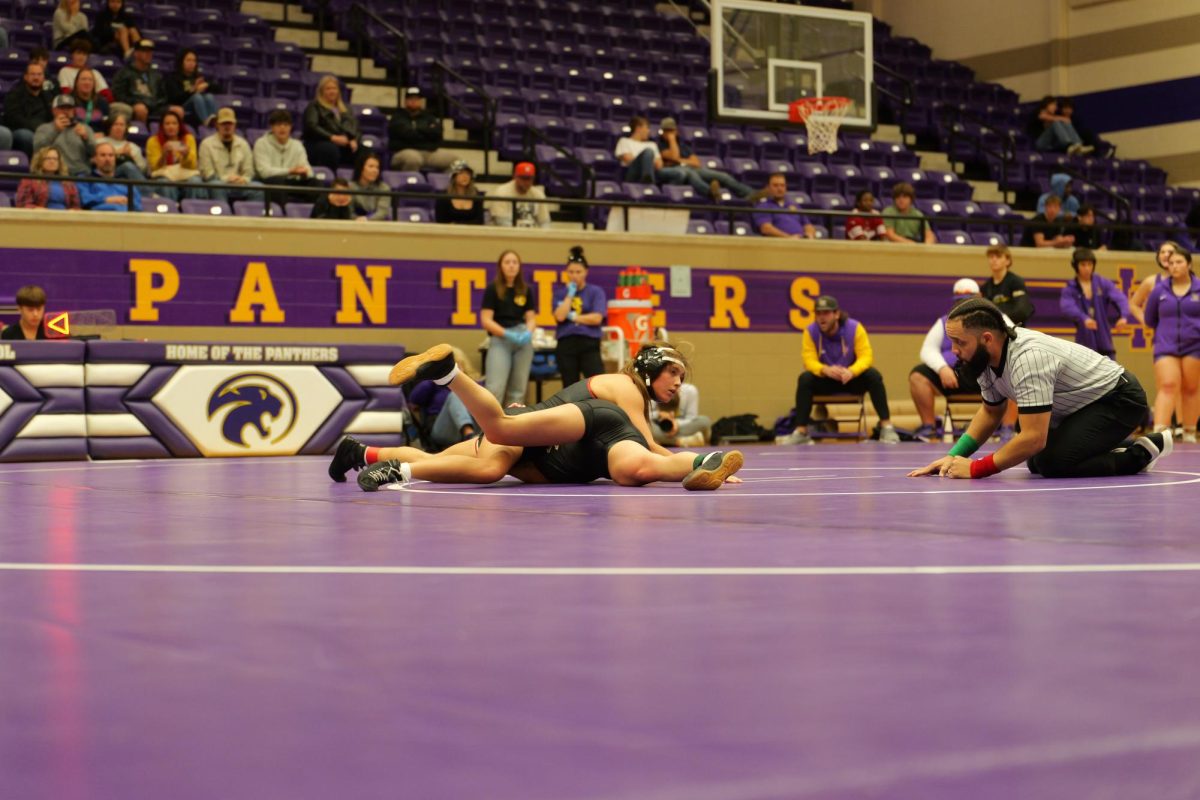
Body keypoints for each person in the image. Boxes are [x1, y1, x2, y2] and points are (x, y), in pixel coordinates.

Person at [333, 342, 743, 491]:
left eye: (681, 378)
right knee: (490, 460)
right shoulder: (626, 387)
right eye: (673, 373)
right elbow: (646, 443)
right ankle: (448, 377)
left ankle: (367, 455)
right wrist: (685, 459)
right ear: (652, 368)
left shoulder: (631, 394)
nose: (677, 384)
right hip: (547, 435)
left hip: (558, 444)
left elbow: (643, 447)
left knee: (450, 461)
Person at [909, 297, 1169, 480]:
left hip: (1119, 400)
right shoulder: (984, 359)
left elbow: (1034, 438)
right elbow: (990, 413)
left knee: (1051, 461)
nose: (953, 350)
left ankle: (1138, 453)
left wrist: (975, 469)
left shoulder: (1028, 358)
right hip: (1081, 406)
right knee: (1034, 461)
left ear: (986, 338)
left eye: (958, 342)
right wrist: (952, 457)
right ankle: (1112, 444)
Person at [778, 294, 901, 445]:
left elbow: (866, 356)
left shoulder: (855, 328)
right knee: (805, 379)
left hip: (850, 379)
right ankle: (801, 432)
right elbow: (808, 360)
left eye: (826, 313)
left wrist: (852, 371)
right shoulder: (810, 331)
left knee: (873, 375)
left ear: (836, 314)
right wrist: (824, 369)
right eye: (818, 313)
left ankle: (886, 427)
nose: (822, 318)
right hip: (826, 380)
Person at [907, 278, 992, 442]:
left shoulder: (994, 318)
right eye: (959, 301)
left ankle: (1007, 428)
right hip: (954, 378)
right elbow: (927, 349)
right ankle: (928, 428)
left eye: (968, 300)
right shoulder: (945, 322)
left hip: (988, 378)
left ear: (980, 297)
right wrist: (942, 368)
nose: (963, 305)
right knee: (918, 376)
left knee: (1012, 373)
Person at [1143, 247, 1200, 443]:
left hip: (1195, 345)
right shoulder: (1159, 290)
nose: (1174, 266)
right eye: (1172, 263)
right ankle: (1159, 433)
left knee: (1191, 388)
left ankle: (1190, 432)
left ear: (1189, 264)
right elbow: (1149, 319)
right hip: (1165, 345)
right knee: (1168, 385)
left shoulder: (1199, 288)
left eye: (1179, 262)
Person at [481, 249, 537, 405]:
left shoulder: (526, 289)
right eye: (507, 262)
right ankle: (488, 429)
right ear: (500, 266)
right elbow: (486, 320)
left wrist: (528, 332)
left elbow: (531, 319)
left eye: (515, 262)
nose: (511, 266)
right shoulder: (493, 289)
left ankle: (513, 427)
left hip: (522, 340)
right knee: (494, 388)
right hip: (500, 339)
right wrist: (506, 333)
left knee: (518, 390)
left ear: (519, 266)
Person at [656, 116, 752, 200]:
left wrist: (679, 161)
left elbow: (696, 163)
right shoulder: (659, 145)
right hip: (677, 171)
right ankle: (710, 192)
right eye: (667, 131)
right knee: (691, 174)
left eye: (671, 131)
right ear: (662, 132)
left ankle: (751, 194)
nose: (669, 134)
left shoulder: (683, 146)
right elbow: (674, 155)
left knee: (723, 176)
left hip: (691, 168)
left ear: (676, 131)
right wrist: (672, 141)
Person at [1059, 248, 1129, 360]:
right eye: (1083, 265)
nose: (1087, 268)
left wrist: (1124, 316)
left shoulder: (1103, 283)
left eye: (1089, 264)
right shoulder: (1070, 287)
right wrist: (1083, 318)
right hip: (1084, 343)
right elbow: (1067, 307)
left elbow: (1121, 299)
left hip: (1104, 341)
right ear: (1076, 266)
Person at [405, 347, 480, 452]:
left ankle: (473, 435)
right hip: (443, 428)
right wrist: (437, 378)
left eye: (457, 366)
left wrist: (463, 382)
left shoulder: (473, 383)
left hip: (475, 424)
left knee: (475, 397)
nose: (453, 371)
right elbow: (413, 403)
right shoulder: (433, 384)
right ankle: (469, 434)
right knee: (456, 395)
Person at [552, 245, 606, 387]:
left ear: (586, 272)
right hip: (566, 343)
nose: (574, 275)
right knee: (569, 386)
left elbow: (596, 318)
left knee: (597, 383)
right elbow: (560, 317)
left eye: (578, 272)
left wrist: (574, 317)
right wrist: (569, 295)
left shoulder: (595, 292)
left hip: (589, 342)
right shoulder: (560, 293)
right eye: (571, 272)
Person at [253, 109, 318, 205]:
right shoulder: (261, 143)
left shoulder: (297, 145)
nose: (282, 128)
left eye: (286, 125)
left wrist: (305, 173)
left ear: (291, 127)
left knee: (315, 183)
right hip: (269, 181)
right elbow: (264, 172)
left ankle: (314, 216)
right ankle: (281, 216)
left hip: (291, 181)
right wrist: (290, 171)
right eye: (278, 125)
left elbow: (308, 169)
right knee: (278, 182)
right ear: (272, 127)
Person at [198, 107, 260, 204]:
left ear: (234, 125)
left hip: (240, 184)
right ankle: (221, 216)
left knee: (258, 187)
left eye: (230, 123)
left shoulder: (243, 143)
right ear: (217, 125)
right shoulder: (206, 144)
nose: (227, 127)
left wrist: (244, 179)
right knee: (216, 185)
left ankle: (252, 217)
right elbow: (207, 173)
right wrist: (227, 179)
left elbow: (249, 171)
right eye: (223, 124)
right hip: (220, 183)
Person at [387, 86, 455, 172]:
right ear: (405, 101)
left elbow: (438, 133)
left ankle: (444, 184)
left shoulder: (429, 117)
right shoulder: (398, 117)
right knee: (413, 159)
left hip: (428, 153)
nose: (414, 101)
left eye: (416, 99)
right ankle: (410, 184)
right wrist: (426, 132)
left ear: (421, 101)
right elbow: (405, 134)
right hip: (403, 151)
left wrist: (416, 130)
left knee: (456, 162)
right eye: (411, 99)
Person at [302, 74, 360, 172]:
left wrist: (353, 139)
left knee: (365, 150)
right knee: (330, 150)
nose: (332, 91)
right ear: (321, 91)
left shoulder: (346, 109)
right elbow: (311, 127)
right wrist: (332, 137)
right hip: (319, 142)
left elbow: (355, 127)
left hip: (342, 143)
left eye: (334, 88)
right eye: (328, 89)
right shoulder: (314, 107)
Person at [145, 109, 202, 200]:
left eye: (174, 123)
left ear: (179, 126)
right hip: (164, 177)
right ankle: (172, 208)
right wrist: (164, 155)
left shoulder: (188, 138)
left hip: (185, 175)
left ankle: (192, 209)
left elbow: (193, 166)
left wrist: (186, 155)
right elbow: (154, 168)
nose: (171, 127)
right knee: (164, 182)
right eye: (167, 124)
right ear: (162, 126)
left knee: (196, 181)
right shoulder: (153, 141)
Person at [33, 94, 94, 176]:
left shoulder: (84, 128)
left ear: (73, 111)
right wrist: (55, 130)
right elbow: (38, 152)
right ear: (54, 110)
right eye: (62, 108)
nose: (66, 111)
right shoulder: (44, 129)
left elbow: (95, 153)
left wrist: (85, 138)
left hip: (81, 174)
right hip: (55, 174)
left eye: (69, 108)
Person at [3, 61, 54, 156]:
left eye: (39, 74)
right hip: (21, 130)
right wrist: (37, 129)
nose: (36, 77)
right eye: (32, 74)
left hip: (44, 131)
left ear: (43, 78)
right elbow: (13, 118)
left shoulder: (48, 97)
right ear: (25, 77)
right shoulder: (15, 94)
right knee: (26, 136)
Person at [112, 39, 167, 123]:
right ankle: (142, 133)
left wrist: (155, 103)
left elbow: (163, 96)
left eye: (150, 51)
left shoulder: (156, 75)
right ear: (136, 53)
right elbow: (119, 94)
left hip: (154, 106)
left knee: (178, 110)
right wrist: (135, 102)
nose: (149, 54)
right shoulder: (124, 73)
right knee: (141, 109)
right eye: (145, 51)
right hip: (134, 105)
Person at [164, 48, 220, 129]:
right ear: (181, 62)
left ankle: (216, 123)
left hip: (199, 105)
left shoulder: (197, 77)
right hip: (182, 106)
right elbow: (175, 99)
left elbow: (218, 88)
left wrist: (207, 85)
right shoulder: (173, 78)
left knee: (209, 96)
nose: (192, 63)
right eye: (188, 60)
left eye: (194, 61)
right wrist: (193, 90)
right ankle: (206, 124)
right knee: (197, 97)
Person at [78, 140, 141, 211]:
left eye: (111, 155)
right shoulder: (85, 179)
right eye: (103, 155)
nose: (107, 159)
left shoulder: (126, 183)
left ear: (115, 158)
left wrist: (127, 202)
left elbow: (138, 206)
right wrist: (107, 199)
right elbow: (84, 200)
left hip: (126, 219)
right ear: (95, 159)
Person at [486, 161, 551, 228]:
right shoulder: (502, 192)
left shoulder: (538, 194)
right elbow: (502, 222)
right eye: (523, 178)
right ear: (515, 176)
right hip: (507, 235)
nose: (527, 182)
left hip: (531, 234)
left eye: (529, 178)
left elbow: (544, 222)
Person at [982, 244, 1034, 325]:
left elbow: (1022, 310)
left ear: (1008, 261)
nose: (994, 260)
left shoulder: (1016, 282)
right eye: (991, 257)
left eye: (998, 257)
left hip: (1015, 329)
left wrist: (1000, 319)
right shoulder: (985, 287)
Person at [15, 146, 81, 210]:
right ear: (40, 161)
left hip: (65, 218)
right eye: (48, 158)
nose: (52, 161)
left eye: (55, 159)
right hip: (40, 218)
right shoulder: (29, 180)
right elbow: (23, 205)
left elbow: (76, 206)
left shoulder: (68, 183)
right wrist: (38, 209)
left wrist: (72, 211)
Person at [753, 172, 816, 239]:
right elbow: (766, 229)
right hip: (780, 244)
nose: (780, 189)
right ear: (768, 188)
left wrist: (809, 234)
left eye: (782, 185)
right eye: (775, 185)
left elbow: (808, 225)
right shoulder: (763, 206)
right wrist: (788, 238)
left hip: (801, 241)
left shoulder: (794, 205)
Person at [650, 382, 711, 448]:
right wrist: (658, 414)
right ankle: (683, 441)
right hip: (659, 425)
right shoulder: (653, 390)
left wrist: (677, 424)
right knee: (647, 425)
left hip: (680, 427)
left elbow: (691, 418)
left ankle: (662, 440)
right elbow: (644, 416)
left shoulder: (690, 390)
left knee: (705, 421)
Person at [94, 112, 147, 181]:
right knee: (127, 166)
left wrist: (131, 158)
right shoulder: (99, 142)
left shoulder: (133, 147)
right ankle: (149, 192)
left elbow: (142, 169)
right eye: (115, 124)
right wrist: (117, 153)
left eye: (122, 125)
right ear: (110, 126)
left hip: (128, 180)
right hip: (104, 175)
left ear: (126, 128)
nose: (118, 128)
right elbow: (91, 161)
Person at [614, 115, 664, 184]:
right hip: (632, 173)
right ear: (638, 128)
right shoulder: (624, 141)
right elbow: (629, 160)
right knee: (648, 152)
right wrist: (648, 161)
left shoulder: (652, 144)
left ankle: (648, 179)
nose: (648, 131)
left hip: (653, 172)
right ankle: (648, 181)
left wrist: (647, 162)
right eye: (647, 128)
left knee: (678, 173)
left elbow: (659, 165)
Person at [434, 159, 485, 225]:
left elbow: (480, 221)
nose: (465, 176)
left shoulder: (477, 196)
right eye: (461, 173)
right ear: (453, 177)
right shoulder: (443, 196)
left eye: (468, 173)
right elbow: (440, 221)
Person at [350, 151, 391, 221]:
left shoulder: (384, 188)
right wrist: (356, 219)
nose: (375, 170)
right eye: (371, 166)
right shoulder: (350, 187)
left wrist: (367, 220)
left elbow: (382, 212)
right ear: (361, 168)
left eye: (377, 167)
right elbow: (349, 212)